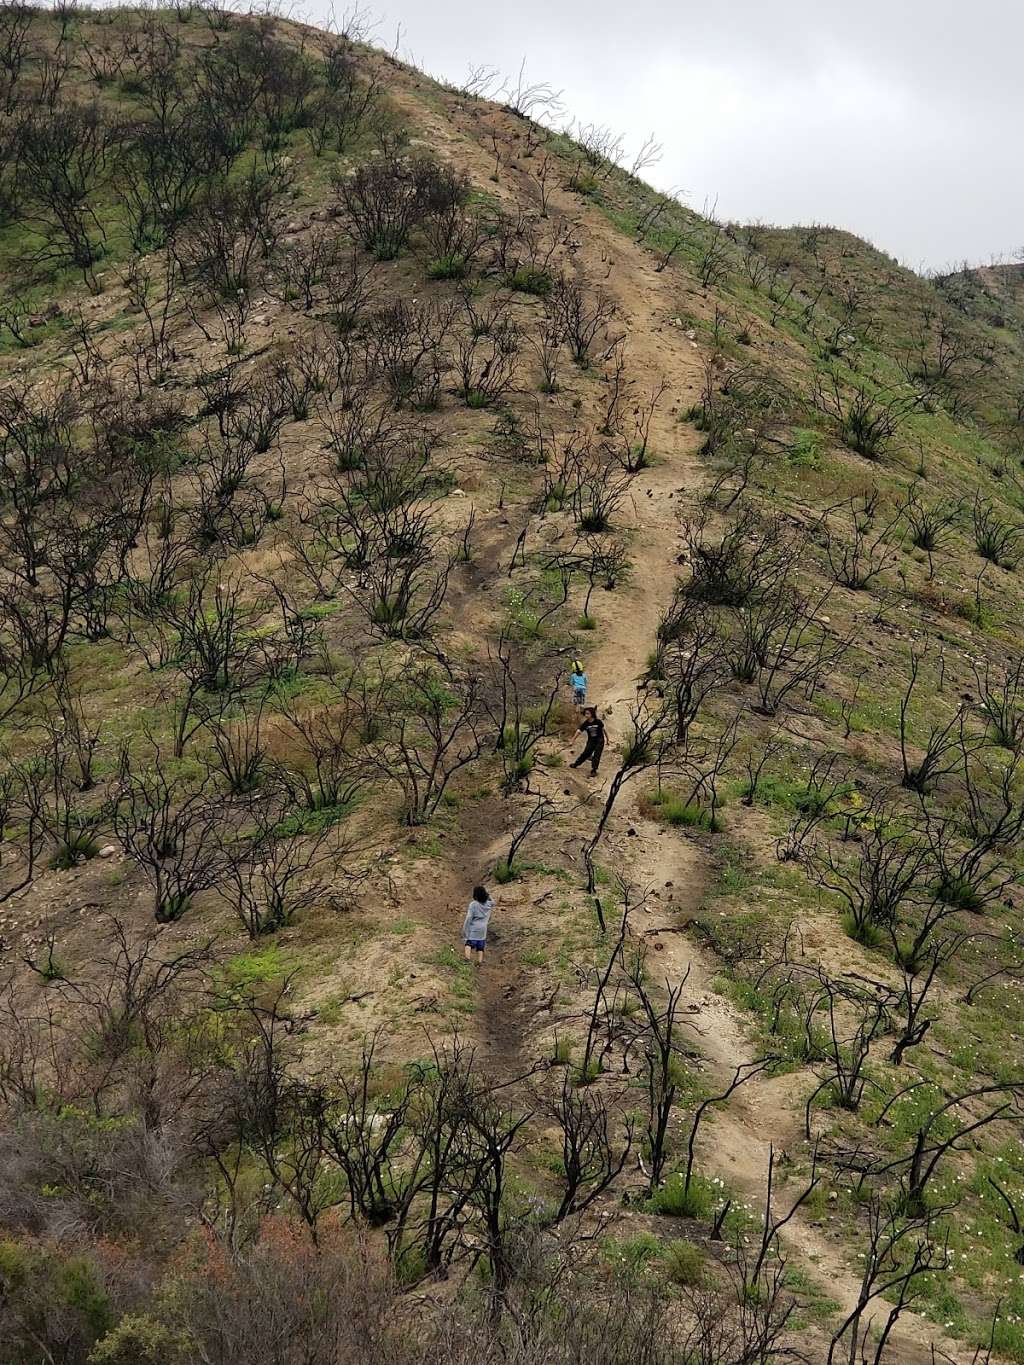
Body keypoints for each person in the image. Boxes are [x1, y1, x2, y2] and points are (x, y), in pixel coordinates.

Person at [462, 885, 494, 963]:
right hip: (483, 929)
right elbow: (493, 902)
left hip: (474, 928)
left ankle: (467, 959)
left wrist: (465, 929)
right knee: (480, 946)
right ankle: (479, 962)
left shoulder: (473, 904)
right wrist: (488, 895)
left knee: (468, 943)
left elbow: (469, 917)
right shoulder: (488, 904)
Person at [571, 707, 605, 776]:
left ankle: (594, 770)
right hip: (591, 740)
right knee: (586, 753)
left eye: (588, 713)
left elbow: (603, 730)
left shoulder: (598, 722)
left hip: (600, 740)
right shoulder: (586, 723)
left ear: (592, 714)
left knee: (597, 754)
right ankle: (576, 764)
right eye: (585, 713)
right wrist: (573, 740)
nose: (586, 715)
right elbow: (579, 731)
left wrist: (608, 739)